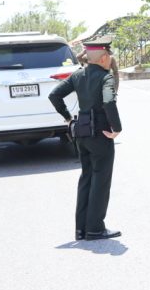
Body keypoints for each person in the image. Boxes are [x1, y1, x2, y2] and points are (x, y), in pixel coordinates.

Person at [50, 36, 122, 240]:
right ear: (104, 57)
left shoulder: (78, 75)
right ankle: (95, 228)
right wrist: (117, 128)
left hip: (81, 132)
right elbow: (109, 102)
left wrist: (67, 118)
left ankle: (81, 229)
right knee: (100, 180)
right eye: (109, 56)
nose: (110, 59)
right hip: (100, 133)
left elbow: (54, 95)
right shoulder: (106, 77)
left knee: (86, 178)